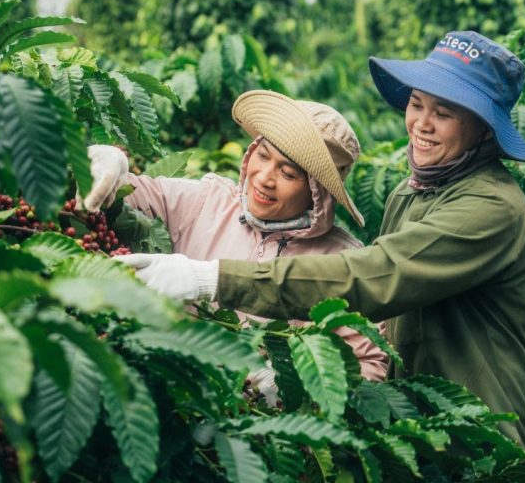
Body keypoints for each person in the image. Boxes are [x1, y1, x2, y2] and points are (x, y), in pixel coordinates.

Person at [117, 31, 525, 448]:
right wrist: (112, 168)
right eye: (417, 104)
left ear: (484, 129)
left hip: (488, 438)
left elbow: (375, 277)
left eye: (445, 113)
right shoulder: (411, 193)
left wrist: (211, 279)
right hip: (425, 431)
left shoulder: (492, 209)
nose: (422, 123)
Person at [79, 90, 388, 381]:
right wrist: (109, 167)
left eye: (289, 174)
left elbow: (372, 366)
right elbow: (130, 198)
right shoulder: (206, 202)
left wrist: (291, 385)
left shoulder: (342, 263)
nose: (265, 179)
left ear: (317, 192)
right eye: (263, 156)